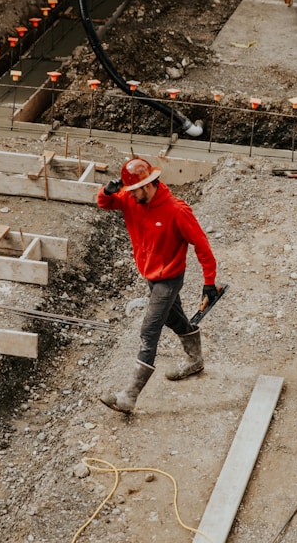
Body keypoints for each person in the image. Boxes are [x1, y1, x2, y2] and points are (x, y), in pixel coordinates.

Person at [96, 157, 221, 414]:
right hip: (150, 275)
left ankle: (128, 397)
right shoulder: (132, 200)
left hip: (169, 279)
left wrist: (209, 283)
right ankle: (195, 360)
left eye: (134, 190)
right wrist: (107, 190)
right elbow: (105, 203)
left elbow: (202, 246)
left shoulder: (176, 211)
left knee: (149, 331)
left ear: (149, 184)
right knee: (173, 319)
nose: (129, 195)